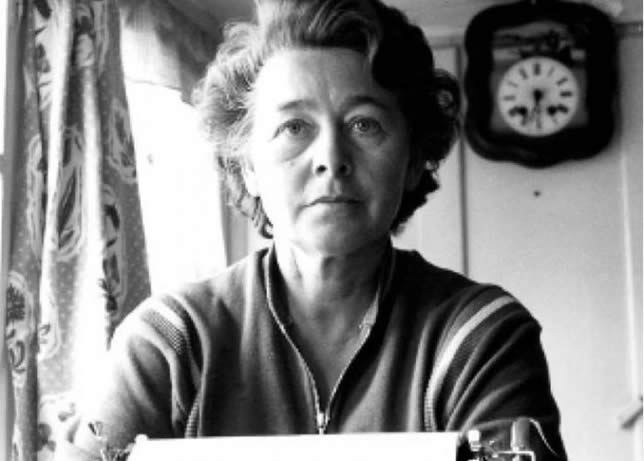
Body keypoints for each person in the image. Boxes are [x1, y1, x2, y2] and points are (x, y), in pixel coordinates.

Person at [62, 0, 567, 459]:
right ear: (248, 168)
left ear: (414, 159)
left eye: (364, 124)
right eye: (294, 127)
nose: (331, 158)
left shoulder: (480, 336)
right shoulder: (169, 343)